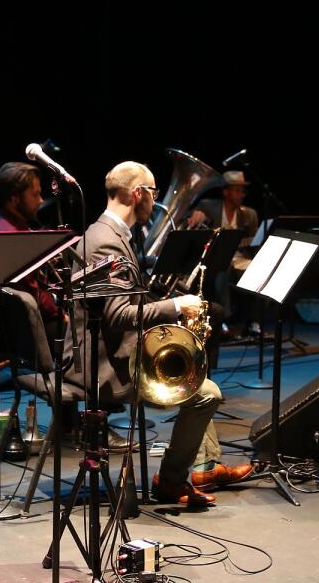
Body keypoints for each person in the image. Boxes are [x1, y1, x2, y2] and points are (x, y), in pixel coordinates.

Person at [66, 161, 251, 506]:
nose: (155, 199)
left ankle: (202, 466)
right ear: (137, 194)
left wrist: (179, 326)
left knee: (196, 375)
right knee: (206, 392)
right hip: (105, 364)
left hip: (114, 349)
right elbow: (119, 315)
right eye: (152, 192)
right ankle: (172, 480)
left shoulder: (111, 233)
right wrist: (176, 307)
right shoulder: (106, 241)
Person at [0, 161, 61, 336]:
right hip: (25, 330)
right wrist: (62, 314)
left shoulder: (2, 224)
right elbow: (34, 297)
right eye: (35, 194)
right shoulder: (10, 237)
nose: (41, 200)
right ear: (14, 198)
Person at [187, 169, 262, 334]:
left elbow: (254, 241)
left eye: (242, 190)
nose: (241, 194)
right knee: (223, 268)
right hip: (215, 257)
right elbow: (190, 218)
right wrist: (197, 216)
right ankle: (223, 319)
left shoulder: (249, 214)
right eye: (237, 190)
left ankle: (253, 321)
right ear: (226, 192)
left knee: (260, 270)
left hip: (240, 257)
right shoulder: (208, 206)